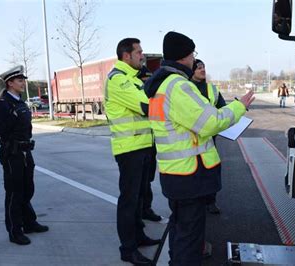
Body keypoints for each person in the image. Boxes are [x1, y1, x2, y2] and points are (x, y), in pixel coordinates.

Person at [144, 31, 255, 266]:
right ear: (184, 56)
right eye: (193, 53)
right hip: (189, 175)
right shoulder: (178, 86)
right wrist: (238, 107)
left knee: (180, 228)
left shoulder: (162, 85)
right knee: (190, 237)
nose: (195, 59)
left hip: (175, 173)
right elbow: (210, 122)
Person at [105, 38, 160, 266]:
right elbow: (149, 106)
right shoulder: (119, 80)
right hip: (129, 149)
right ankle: (128, 249)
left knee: (137, 199)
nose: (142, 55)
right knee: (129, 201)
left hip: (142, 146)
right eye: (139, 52)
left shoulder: (132, 78)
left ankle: (139, 236)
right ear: (126, 55)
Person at [0, 65, 49, 246]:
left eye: (23, 80)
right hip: (12, 153)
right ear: (10, 83)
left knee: (27, 189)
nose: (23, 83)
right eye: (19, 80)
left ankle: (29, 223)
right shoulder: (3, 105)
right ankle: (15, 231)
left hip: (25, 151)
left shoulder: (20, 102)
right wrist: (13, 117)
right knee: (14, 193)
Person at [191, 59, 225, 215]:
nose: (202, 69)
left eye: (203, 67)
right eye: (198, 67)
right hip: (190, 138)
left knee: (212, 169)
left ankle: (211, 201)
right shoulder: (186, 88)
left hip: (210, 137)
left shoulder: (212, 89)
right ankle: (197, 200)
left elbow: (223, 108)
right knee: (194, 170)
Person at [137, 65, 165, 223]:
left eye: (149, 80)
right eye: (144, 81)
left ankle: (146, 209)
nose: (147, 84)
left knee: (147, 180)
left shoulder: (154, 95)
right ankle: (140, 211)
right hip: (137, 144)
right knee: (139, 184)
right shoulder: (138, 96)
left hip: (151, 143)